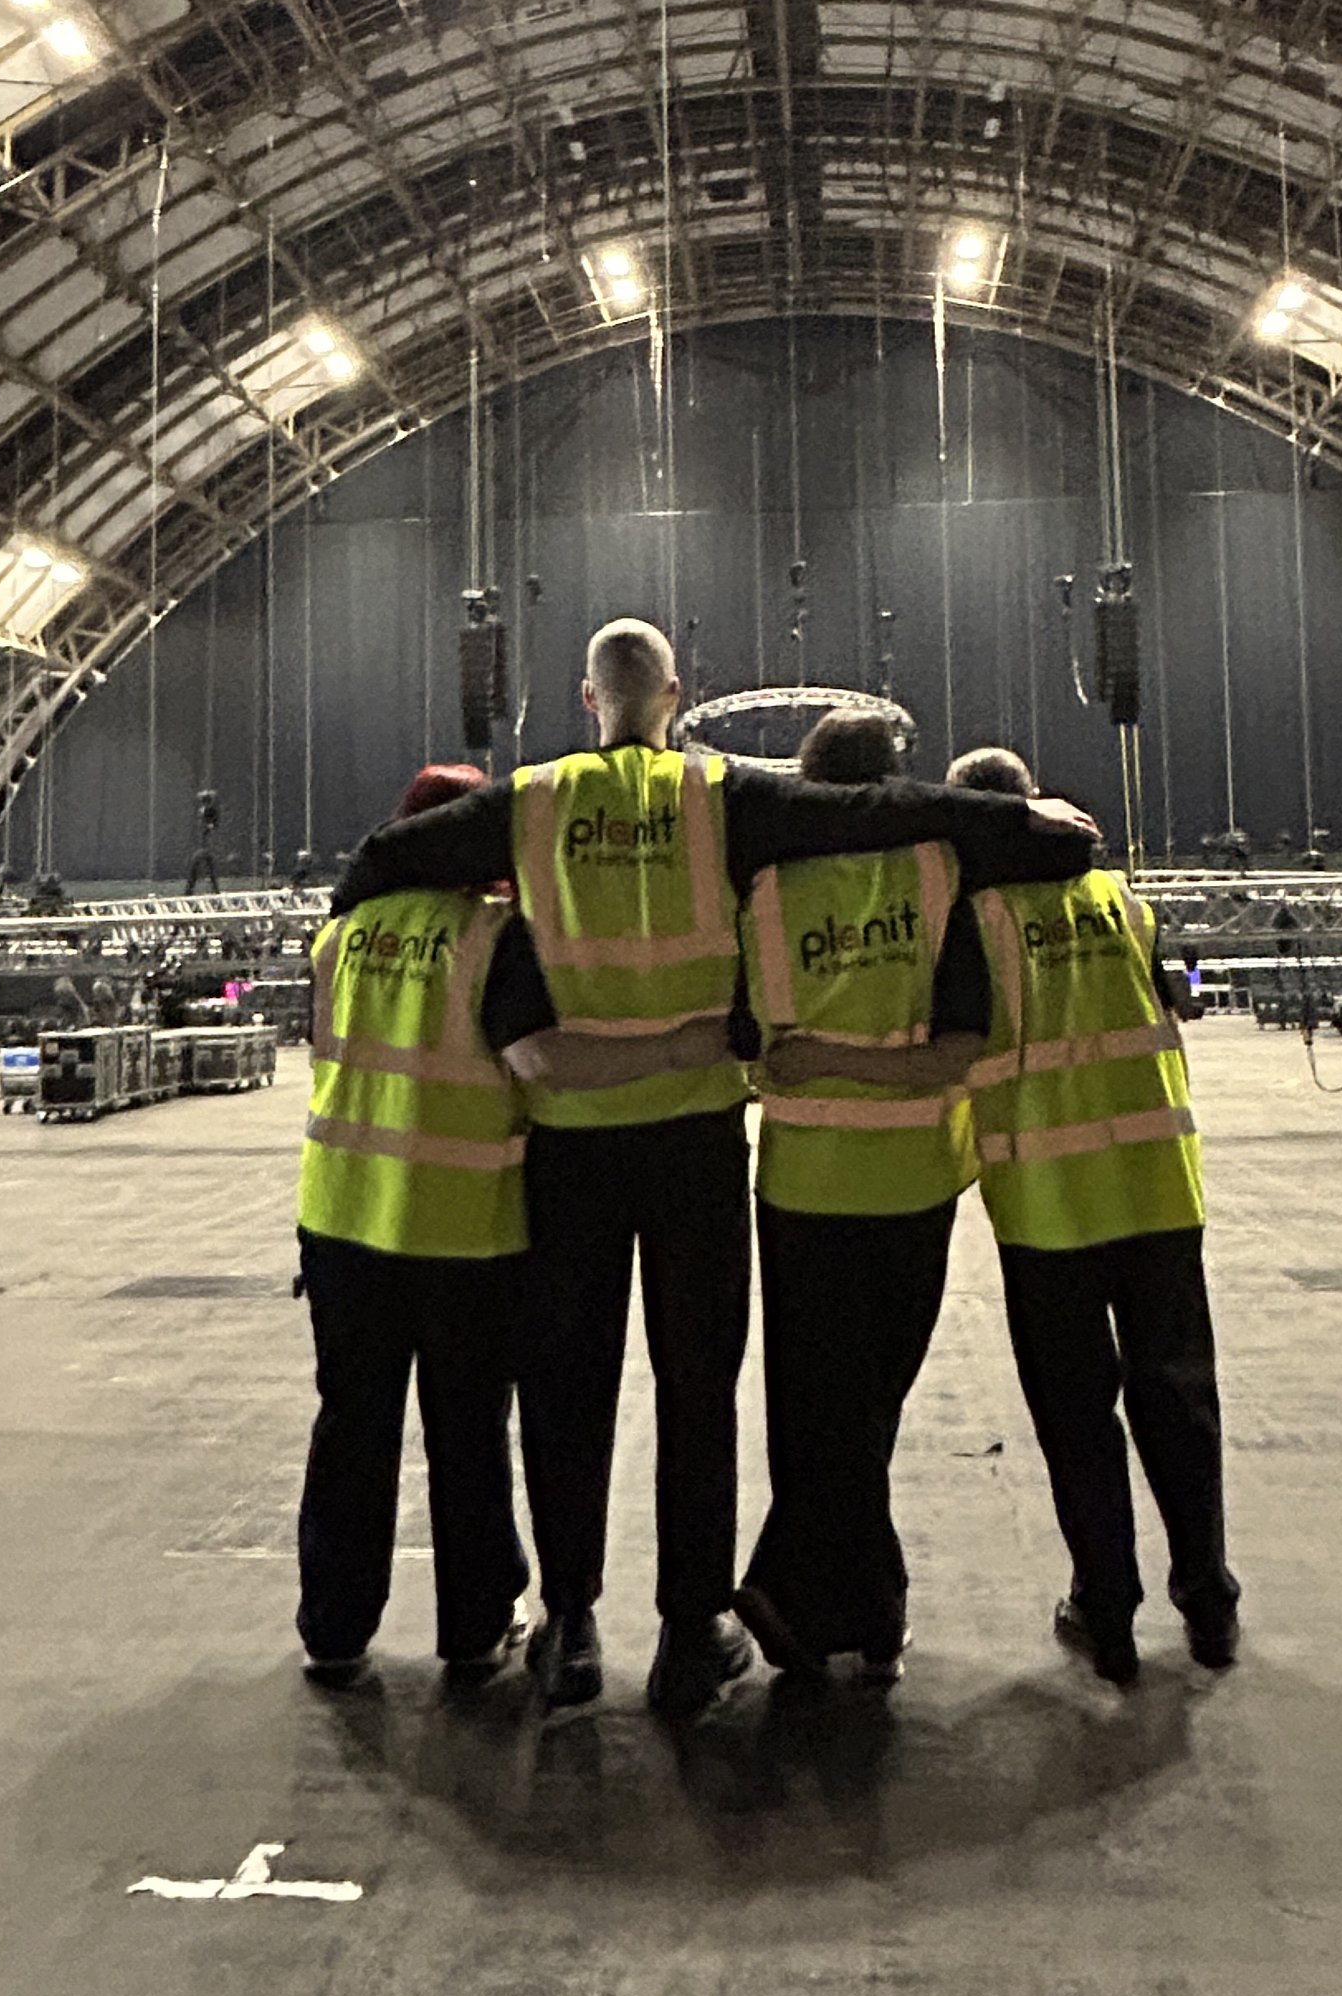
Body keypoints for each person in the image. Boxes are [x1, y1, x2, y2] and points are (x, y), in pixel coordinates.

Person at [329, 621, 1097, 1718]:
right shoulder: (718, 794)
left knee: (566, 1388)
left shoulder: (531, 803)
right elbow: (874, 810)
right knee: (699, 1393)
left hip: (570, 1141)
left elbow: (388, 857)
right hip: (693, 1138)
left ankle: (572, 1626)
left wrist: (343, 922)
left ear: (584, 695)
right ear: (676, 695)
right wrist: (1014, 815)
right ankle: (692, 1635)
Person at [947, 744, 1240, 1688]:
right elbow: (1176, 1001)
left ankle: (1106, 1608)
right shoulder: (1121, 901)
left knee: (1078, 1415)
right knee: (1180, 1398)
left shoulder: (976, 919)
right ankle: (1209, 1598)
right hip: (1157, 1183)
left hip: (1048, 1203)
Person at [735, 708, 989, 1686]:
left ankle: (831, 1606)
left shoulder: (762, 891)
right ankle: (844, 1605)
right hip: (912, 1183)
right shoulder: (939, 879)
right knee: (867, 1409)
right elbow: (957, 1047)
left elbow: (748, 1037)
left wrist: (817, 1059)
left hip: (799, 1182)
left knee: (813, 1408)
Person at [291, 762, 542, 1691]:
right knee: (468, 1433)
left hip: (344, 1220)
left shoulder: (341, 934)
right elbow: (532, 1069)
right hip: (464, 1229)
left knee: (352, 1428)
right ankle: (475, 1628)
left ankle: (334, 1628)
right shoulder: (494, 939)